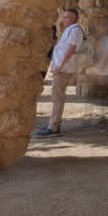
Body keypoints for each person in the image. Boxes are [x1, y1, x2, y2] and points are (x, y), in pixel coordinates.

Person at [34, 8, 84, 138]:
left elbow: (72, 49)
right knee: (56, 97)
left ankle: (53, 127)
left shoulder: (75, 30)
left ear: (73, 18)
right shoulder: (70, 30)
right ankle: (53, 124)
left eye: (66, 17)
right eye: (63, 16)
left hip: (64, 69)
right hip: (61, 68)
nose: (63, 19)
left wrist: (60, 66)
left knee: (58, 98)